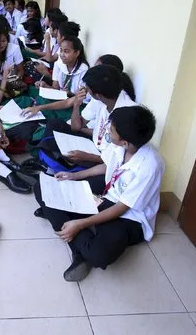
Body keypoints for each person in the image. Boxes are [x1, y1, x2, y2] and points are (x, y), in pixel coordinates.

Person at [33, 105, 164, 281]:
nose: (107, 131)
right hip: (107, 196)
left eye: (111, 130)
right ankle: (77, 248)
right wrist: (75, 176)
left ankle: (65, 221)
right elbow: (107, 166)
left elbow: (121, 208)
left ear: (125, 141)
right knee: (42, 187)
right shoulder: (121, 146)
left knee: (100, 255)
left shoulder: (150, 165)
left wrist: (80, 224)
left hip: (130, 217)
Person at [24, 36, 89, 115]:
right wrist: (45, 85)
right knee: (35, 92)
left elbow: (79, 98)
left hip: (75, 104)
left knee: (46, 107)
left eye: (66, 51)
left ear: (77, 53)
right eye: (61, 50)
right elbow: (56, 89)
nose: (62, 54)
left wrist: (69, 93)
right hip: (61, 99)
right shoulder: (59, 64)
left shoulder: (84, 71)